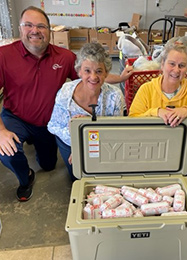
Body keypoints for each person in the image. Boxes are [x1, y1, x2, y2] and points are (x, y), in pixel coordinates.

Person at [0, 6, 132, 202]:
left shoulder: (65, 57)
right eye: (28, 25)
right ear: (20, 28)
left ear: (49, 31)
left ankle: (38, 145)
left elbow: (92, 73)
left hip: (45, 124)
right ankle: (25, 178)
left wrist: (119, 78)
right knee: (7, 150)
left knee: (48, 165)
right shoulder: (3, 55)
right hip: (16, 117)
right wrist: (1, 130)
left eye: (41, 26)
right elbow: (89, 73)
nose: (35, 30)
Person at [47, 42, 125, 181]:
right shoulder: (66, 92)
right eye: (87, 71)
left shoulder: (115, 96)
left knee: (103, 177)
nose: (93, 77)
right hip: (70, 143)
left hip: (102, 144)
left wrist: (86, 144)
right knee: (79, 178)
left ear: (106, 72)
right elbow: (53, 126)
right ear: (79, 71)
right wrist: (77, 144)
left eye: (99, 71)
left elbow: (115, 132)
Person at [128, 42, 187, 133]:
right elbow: (132, 121)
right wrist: (155, 112)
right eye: (172, 64)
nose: (176, 70)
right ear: (162, 64)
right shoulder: (146, 89)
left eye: (181, 65)